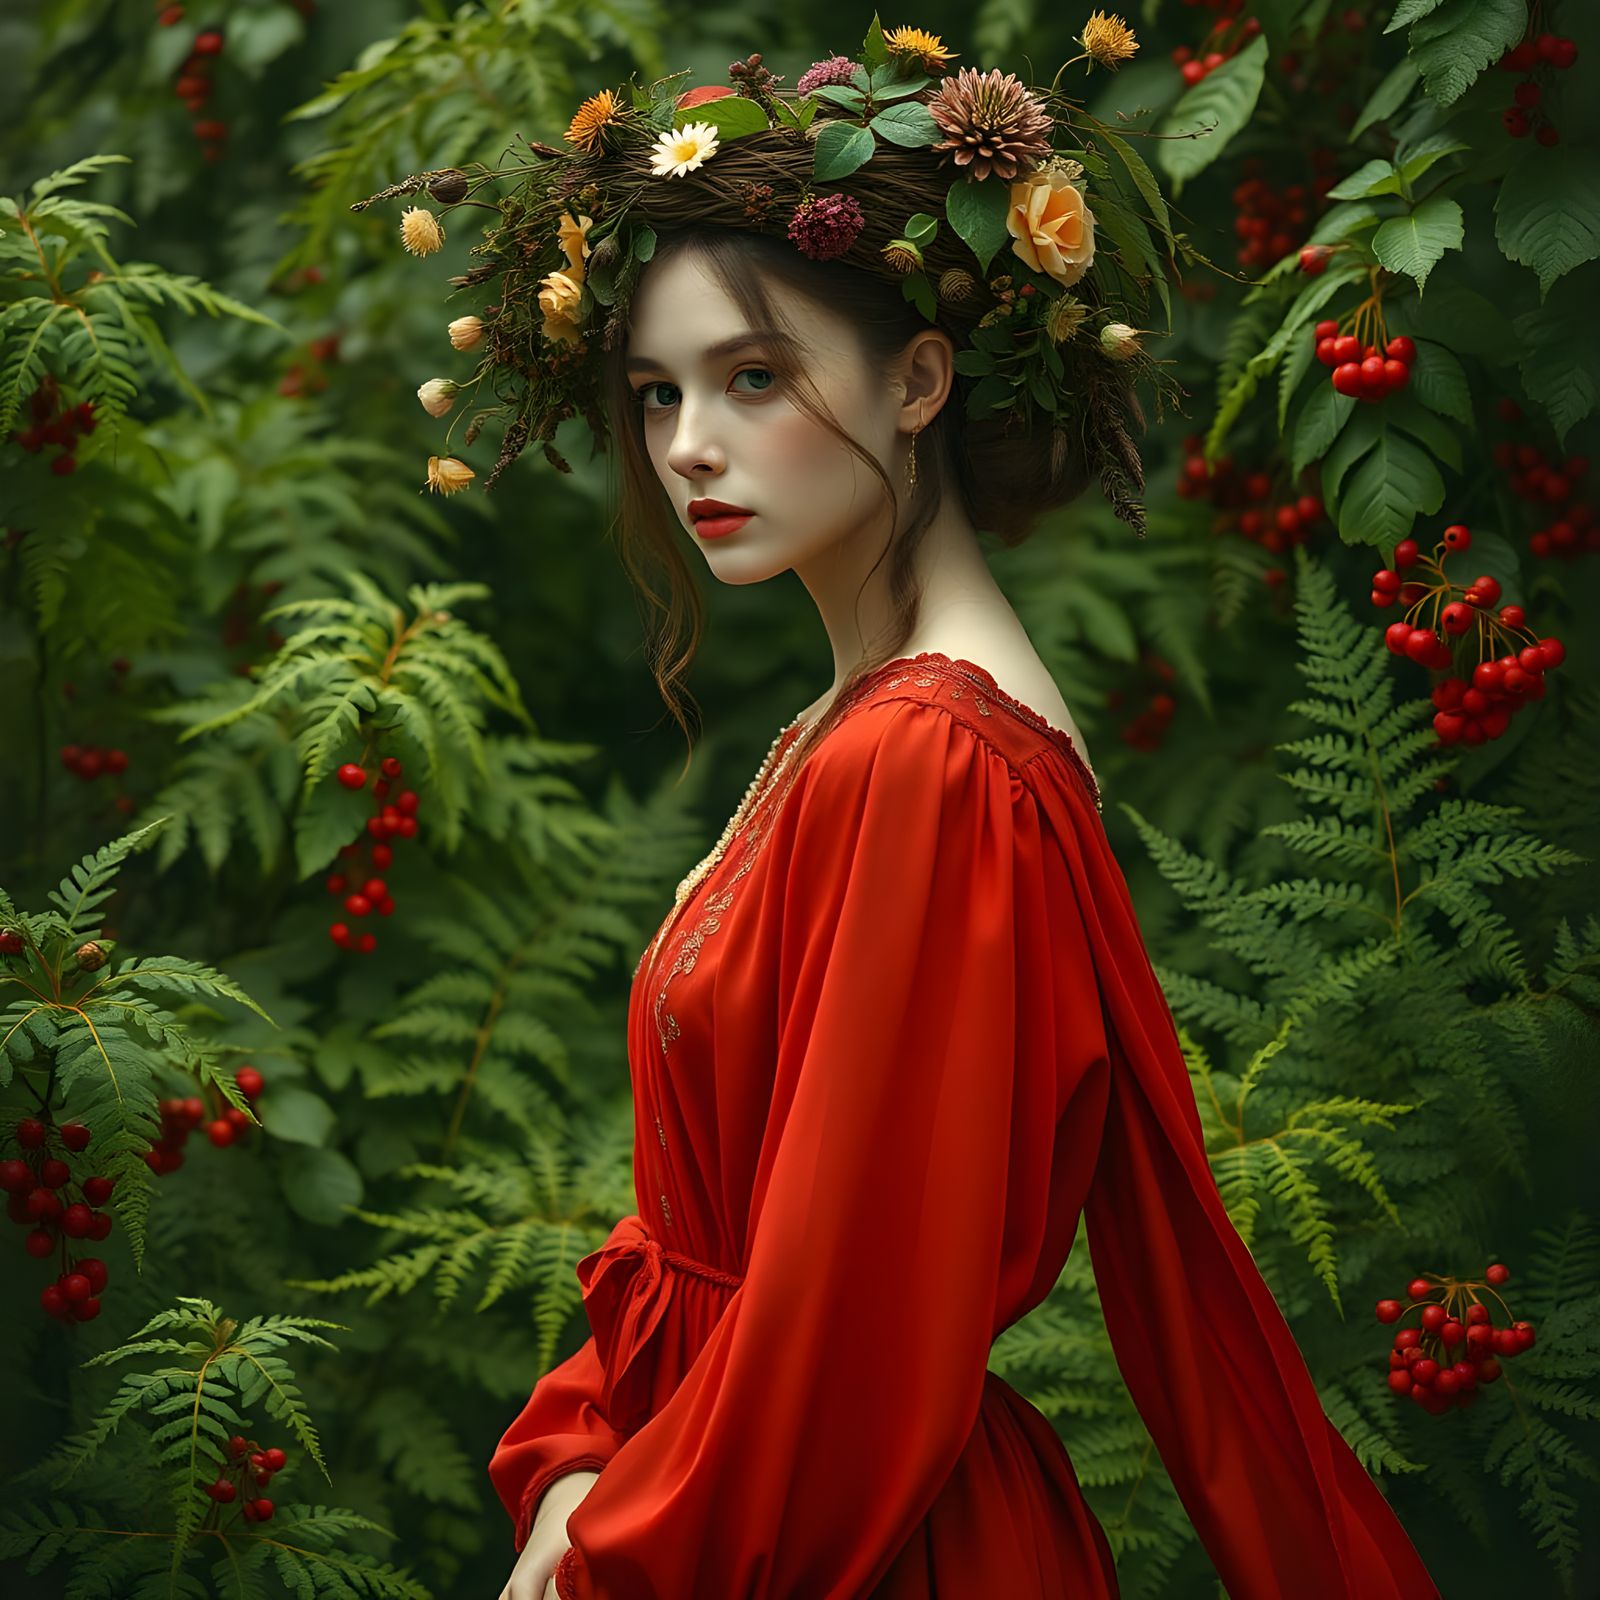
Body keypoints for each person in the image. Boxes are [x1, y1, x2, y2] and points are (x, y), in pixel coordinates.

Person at [374, 21, 1444, 1599]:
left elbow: (854, 1317)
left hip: (844, 1537)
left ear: (923, 375)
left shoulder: (934, 760)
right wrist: (587, 1463)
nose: (690, 448)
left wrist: (615, 1547)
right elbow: (718, 1257)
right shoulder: (866, 723)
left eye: (753, 379)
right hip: (734, 1494)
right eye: (658, 393)